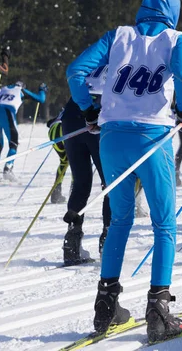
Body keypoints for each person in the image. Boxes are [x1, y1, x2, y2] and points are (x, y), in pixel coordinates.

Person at [66, 0, 182, 343]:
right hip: (152, 137)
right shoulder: (177, 39)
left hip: (111, 138)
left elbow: (75, 71)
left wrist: (88, 109)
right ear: (173, 10)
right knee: (164, 223)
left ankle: (106, 306)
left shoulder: (117, 36)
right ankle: (158, 311)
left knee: (120, 219)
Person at [61, 65, 112, 264]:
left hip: (72, 112)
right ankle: (109, 244)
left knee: (81, 182)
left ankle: (72, 244)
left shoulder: (91, 60)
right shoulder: (122, 58)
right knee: (111, 182)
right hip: (99, 112)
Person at [0, 81, 47, 181]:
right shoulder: (21, 90)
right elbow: (41, 99)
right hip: (8, 112)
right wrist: (42, 90)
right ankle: (8, 168)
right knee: (13, 143)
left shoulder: (3, 89)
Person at [46, 109, 68, 204]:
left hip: (53, 130)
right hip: (66, 129)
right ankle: (74, 192)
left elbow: (48, 123)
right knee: (78, 163)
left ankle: (56, 193)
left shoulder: (68, 106)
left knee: (64, 162)